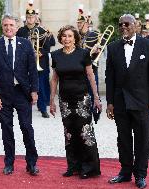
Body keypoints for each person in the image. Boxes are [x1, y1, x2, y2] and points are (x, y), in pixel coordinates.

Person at [106, 14, 149, 188]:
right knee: (123, 139)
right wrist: (110, 102)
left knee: (142, 139)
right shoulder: (113, 47)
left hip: (142, 101)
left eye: (127, 24)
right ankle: (125, 172)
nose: (124, 27)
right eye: (121, 24)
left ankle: (140, 175)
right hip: (120, 101)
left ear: (135, 25)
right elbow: (110, 78)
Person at [0, 14, 39, 176]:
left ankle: (31, 164)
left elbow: (33, 70)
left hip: (22, 93)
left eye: (11, 25)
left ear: (17, 28)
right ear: (2, 27)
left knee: (26, 127)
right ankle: (9, 163)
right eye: (5, 25)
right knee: (6, 129)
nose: (8, 28)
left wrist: (34, 90)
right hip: (3, 94)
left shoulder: (26, 44)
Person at [50, 25, 102, 179]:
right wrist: (51, 100)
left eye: (70, 36)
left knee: (85, 133)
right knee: (69, 134)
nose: (67, 39)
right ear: (60, 38)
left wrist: (96, 98)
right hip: (65, 100)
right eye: (64, 36)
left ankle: (89, 167)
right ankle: (73, 166)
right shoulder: (56, 55)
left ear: (75, 39)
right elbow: (54, 79)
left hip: (82, 99)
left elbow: (91, 76)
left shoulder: (83, 53)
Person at [16, 0, 52, 118]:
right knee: (26, 86)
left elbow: (47, 47)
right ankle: (26, 107)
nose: (30, 19)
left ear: (36, 17)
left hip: (39, 62)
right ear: (26, 18)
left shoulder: (42, 31)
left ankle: (43, 109)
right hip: (25, 63)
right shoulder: (21, 31)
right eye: (28, 17)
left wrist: (39, 53)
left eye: (32, 16)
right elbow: (17, 46)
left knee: (40, 86)